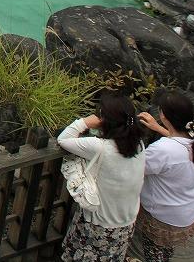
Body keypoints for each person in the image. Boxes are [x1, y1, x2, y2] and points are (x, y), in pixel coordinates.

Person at [57, 92, 145, 262]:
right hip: (126, 221)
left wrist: (84, 122)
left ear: (105, 120)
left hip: (100, 223)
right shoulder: (138, 144)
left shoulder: (101, 147)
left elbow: (63, 139)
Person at [132, 92, 194, 262]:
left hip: (165, 217)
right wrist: (158, 128)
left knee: (154, 253)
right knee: (164, 249)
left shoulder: (163, 150)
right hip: (188, 210)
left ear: (164, 116)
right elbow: (179, 144)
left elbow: (134, 168)